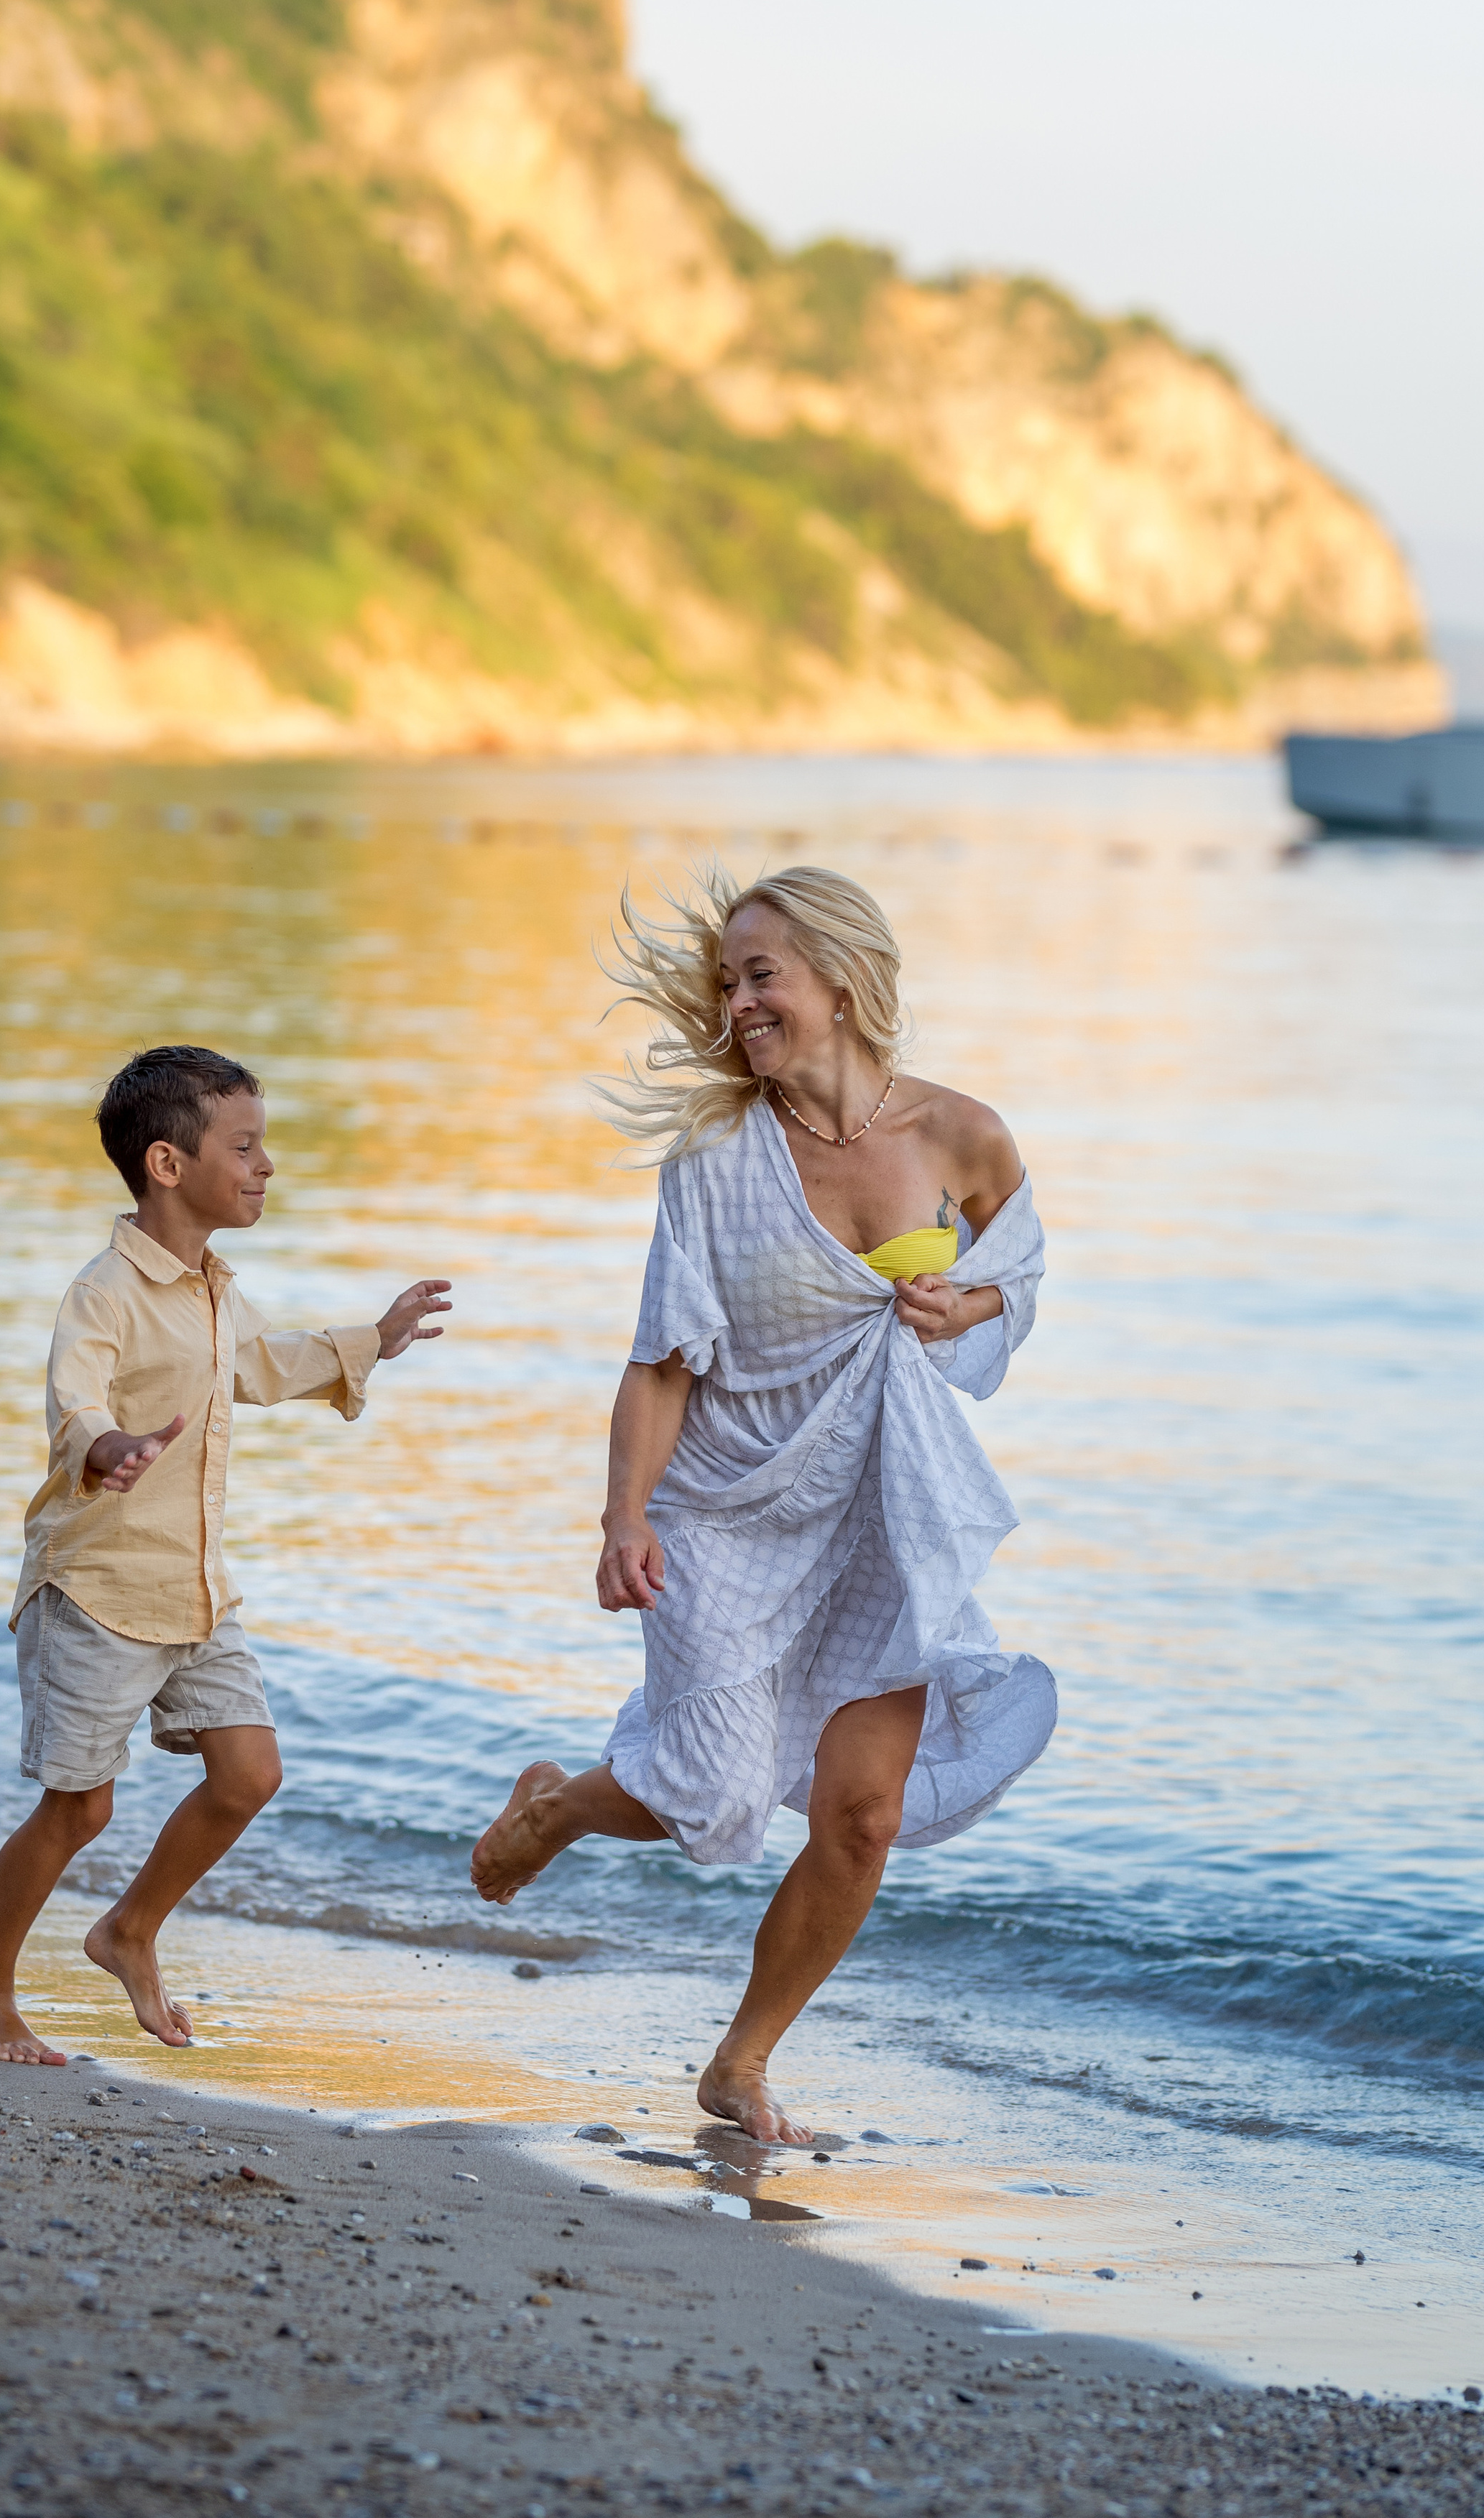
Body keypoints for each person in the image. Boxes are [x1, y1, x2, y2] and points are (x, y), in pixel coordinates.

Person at [471, 866, 1055, 2141]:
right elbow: (662, 1357)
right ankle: (559, 1807)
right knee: (717, 1792)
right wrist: (624, 1516)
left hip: (882, 1517)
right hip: (726, 1511)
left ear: (841, 982)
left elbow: (1023, 1272)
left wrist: (970, 1305)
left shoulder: (963, 1135)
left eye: (761, 976)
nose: (737, 1003)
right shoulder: (718, 1160)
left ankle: (741, 2063)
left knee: (864, 1817)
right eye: (727, 982)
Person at [0, 1044, 452, 2065]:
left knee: (248, 1772)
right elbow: (74, 1395)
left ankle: (127, 1929)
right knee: (81, 1804)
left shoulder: (215, 1287)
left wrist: (374, 1339)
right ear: (169, 1165)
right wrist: (108, 1445)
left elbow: (262, 1365)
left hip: (197, 1590)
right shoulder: (107, 1292)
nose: (266, 1167)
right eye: (247, 1146)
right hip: (98, 1587)